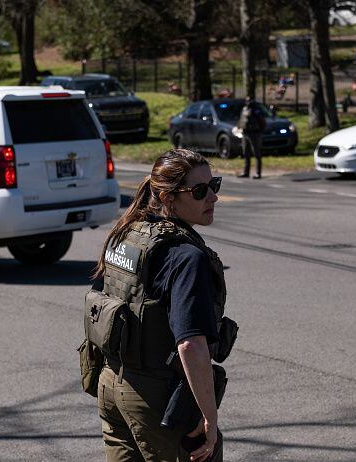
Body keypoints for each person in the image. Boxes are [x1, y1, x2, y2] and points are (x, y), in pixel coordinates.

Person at [92, 148, 229, 462]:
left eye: (214, 185)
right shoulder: (185, 256)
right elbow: (191, 344)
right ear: (169, 198)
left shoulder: (126, 234)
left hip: (111, 384)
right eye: (199, 191)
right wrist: (209, 417)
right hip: (157, 396)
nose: (212, 198)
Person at [237, 96, 266, 179]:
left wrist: (259, 131)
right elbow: (241, 120)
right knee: (245, 153)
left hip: (254, 134)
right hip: (245, 133)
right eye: (247, 100)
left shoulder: (256, 110)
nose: (248, 102)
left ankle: (258, 173)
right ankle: (246, 172)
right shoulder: (244, 109)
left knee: (257, 153)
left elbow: (262, 122)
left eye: (249, 100)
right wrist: (239, 127)